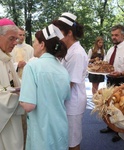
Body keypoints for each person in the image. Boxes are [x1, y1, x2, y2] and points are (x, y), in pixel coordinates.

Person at [19, 24, 70, 150]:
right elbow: (64, 96)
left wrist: (21, 96)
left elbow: (28, 105)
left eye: (35, 42)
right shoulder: (62, 70)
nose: (33, 45)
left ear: (42, 45)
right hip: (60, 128)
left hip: (42, 132)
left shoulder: (32, 67)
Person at [52, 12, 88, 150]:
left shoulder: (77, 53)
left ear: (69, 33)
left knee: (72, 141)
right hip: (66, 101)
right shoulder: (68, 50)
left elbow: (69, 84)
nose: (56, 36)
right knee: (65, 138)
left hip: (72, 102)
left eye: (58, 32)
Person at [100, 24, 124, 142]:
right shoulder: (110, 49)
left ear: (123, 35)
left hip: (122, 81)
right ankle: (110, 126)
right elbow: (106, 64)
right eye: (112, 35)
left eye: (116, 35)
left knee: (120, 108)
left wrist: (120, 73)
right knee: (109, 104)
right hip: (110, 80)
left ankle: (119, 131)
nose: (113, 37)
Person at [0, 18, 24, 150]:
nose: (15, 43)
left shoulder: (6, 58)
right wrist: (20, 97)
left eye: (17, 39)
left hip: (12, 117)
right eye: (11, 39)